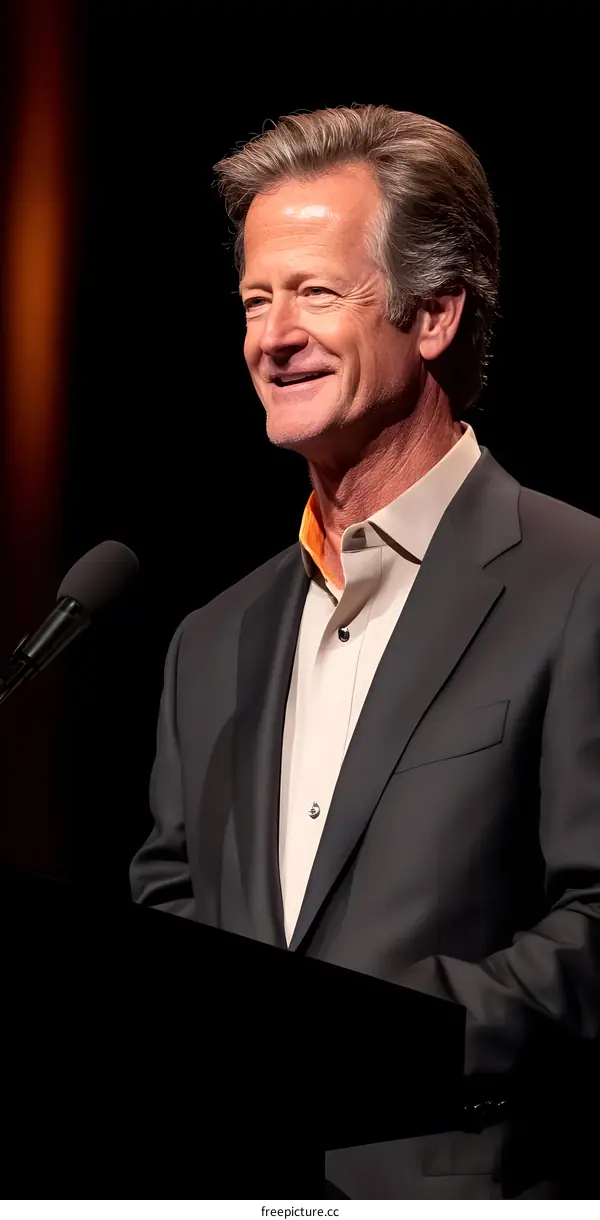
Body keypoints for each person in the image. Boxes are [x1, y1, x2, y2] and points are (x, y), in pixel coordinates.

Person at [130, 105, 600, 1199]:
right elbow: (170, 910)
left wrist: (382, 1046)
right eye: (255, 299)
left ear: (433, 313)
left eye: (314, 292)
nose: (270, 335)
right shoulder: (211, 642)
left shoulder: (577, 579)